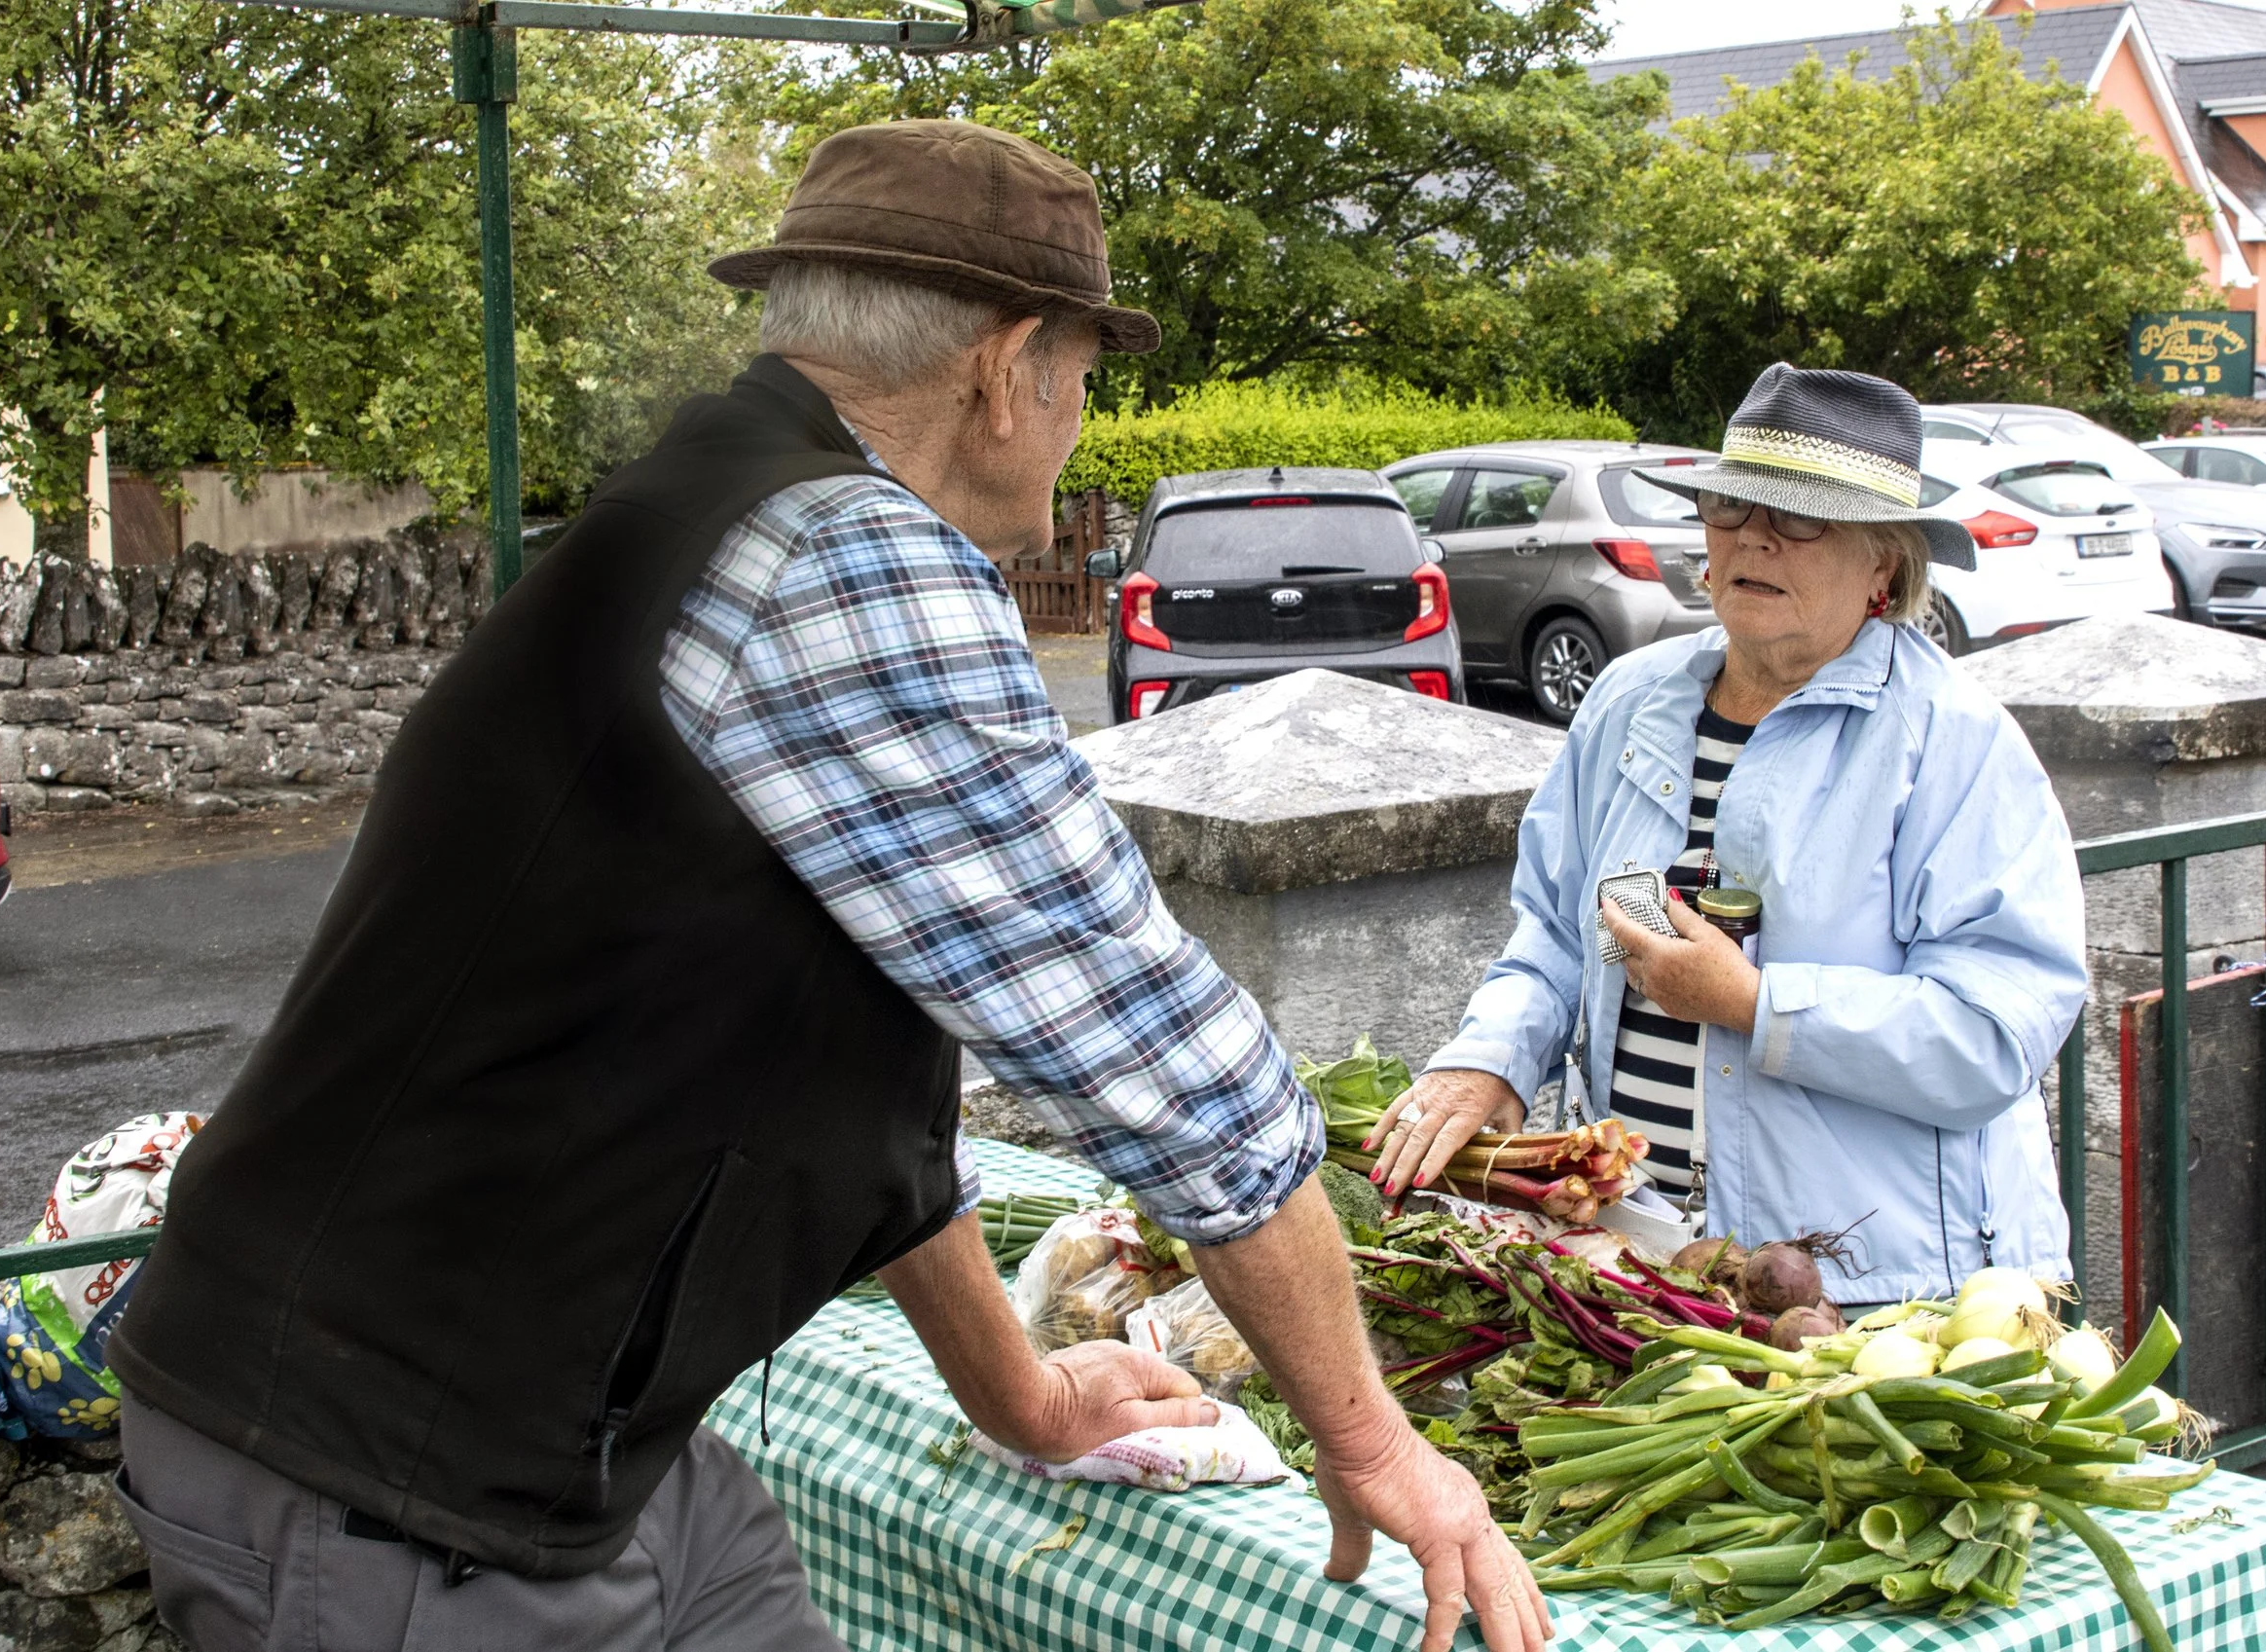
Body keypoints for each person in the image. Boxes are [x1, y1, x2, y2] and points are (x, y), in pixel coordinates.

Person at [106, 121, 1547, 1652]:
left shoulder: (710, 498)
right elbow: (1168, 1064)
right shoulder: (845, 561)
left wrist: (1030, 1392)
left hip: (560, 1444)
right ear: (1010, 370)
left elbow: (859, 1095)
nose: (1075, 423)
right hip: (392, 1468)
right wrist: (1375, 1442)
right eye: (1083, 378)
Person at [1365, 364, 2086, 1304]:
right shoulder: (1630, 701)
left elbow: (1995, 1033)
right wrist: (1490, 1060)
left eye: (1800, 517)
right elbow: (1551, 930)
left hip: (1874, 1291)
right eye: (1731, 506)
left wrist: (1755, 1003)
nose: (1754, 537)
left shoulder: (1951, 740)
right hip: (1646, 1265)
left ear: (1886, 562)